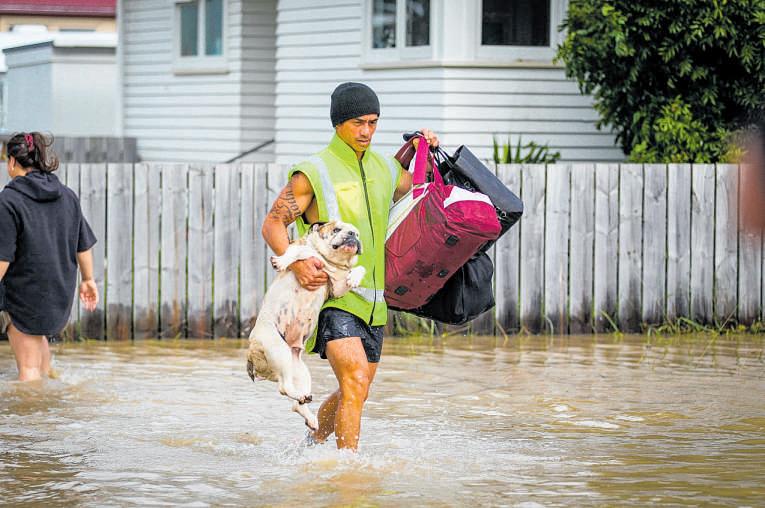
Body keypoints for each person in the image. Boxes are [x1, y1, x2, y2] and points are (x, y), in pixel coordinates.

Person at [261, 82, 439, 450]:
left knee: (355, 389)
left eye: (373, 122)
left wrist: (423, 148)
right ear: (338, 123)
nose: (366, 132)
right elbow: (273, 224)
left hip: (374, 303)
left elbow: (419, 188)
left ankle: (309, 448)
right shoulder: (313, 171)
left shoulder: (386, 167)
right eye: (358, 123)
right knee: (355, 379)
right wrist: (298, 263)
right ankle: (348, 471)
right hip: (332, 297)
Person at [0, 132, 99, 381]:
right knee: (41, 365)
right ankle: (51, 402)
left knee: (28, 370)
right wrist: (88, 280)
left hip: (23, 295)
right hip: (57, 294)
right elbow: (83, 244)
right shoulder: (67, 195)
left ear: (12, 161)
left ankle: (34, 408)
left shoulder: (9, 201)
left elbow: (2, 257)